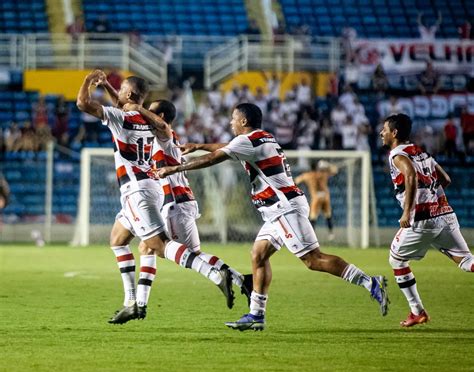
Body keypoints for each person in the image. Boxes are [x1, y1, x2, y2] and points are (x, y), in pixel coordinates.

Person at [156, 103, 389, 331]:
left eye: (233, 118)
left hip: (284, 208)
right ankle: (256, 315)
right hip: (277, 210)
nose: (230, 122)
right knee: (258, 255)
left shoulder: (248, 141)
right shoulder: (262, 137)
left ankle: (370, 282)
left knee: (313, 260)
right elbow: (227, 146)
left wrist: (175, 169)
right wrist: (200, 144)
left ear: (243, 121)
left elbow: (215, 158)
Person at [77, 70, 234, 324]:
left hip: (137, 190)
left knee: (159, 246)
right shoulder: (151, 124)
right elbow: (130, 107)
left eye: (123, 90)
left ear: (129, 95)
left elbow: (83, 103)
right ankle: (131, 302)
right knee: (117, 240)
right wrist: (107, 85)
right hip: (146, 187)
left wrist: (88, 81)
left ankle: (216, 276)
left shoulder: (120, 118)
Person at [127, 99, 253, 304]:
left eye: (150, 112)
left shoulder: (163, 135)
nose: (145, 114)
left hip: (175, 202)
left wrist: (136, 107)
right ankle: (242, 281)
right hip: (180, 201)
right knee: (178, 251)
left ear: (161, 118)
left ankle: (138, 304)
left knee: (155, 247)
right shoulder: (161, 138)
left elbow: (161, 127)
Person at [379, 113, 474, 327]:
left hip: (421, 219)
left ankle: (417, 311)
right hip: (444, 214)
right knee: (467, 261)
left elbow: (410, 175)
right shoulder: (421, 151)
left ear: (394, 133)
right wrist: (431, 195)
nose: (381, 133)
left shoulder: (397, 155)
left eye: (384, 129)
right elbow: (446, 179)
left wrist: (407, 212)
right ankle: (417, 312)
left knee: (396, 260)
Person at [295, 160, 338, 241]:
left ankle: (311, 237)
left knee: (313, 217)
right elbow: (335, 171)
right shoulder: (323, 174)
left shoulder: (307, 175)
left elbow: (296, 181)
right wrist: (328, 165)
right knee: (328, 215)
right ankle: (331, 233)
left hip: (316, 197)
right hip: (325, 196)